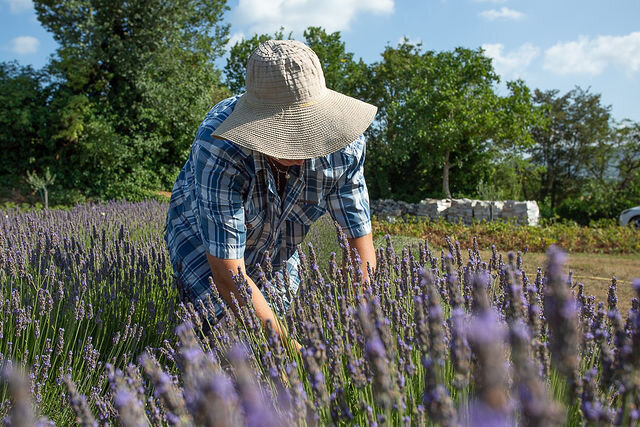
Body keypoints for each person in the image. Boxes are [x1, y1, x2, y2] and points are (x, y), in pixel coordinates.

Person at [164, 40, 377, 347]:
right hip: (201, 233)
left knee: (270, 327)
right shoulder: (220, 145)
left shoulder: (344, 146)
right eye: (288, 131)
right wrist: (292, 353)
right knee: (213, 326)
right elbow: (228, 274)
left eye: (308, 127)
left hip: (278, 248)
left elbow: (360, 245)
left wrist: (360, 327)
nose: (300, 142)